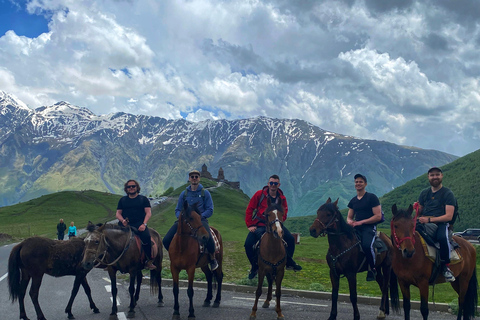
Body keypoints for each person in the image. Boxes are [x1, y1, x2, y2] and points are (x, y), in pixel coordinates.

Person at [245, 174, 302, 280]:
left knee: (289, 239)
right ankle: (254, 267)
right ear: (268, 184)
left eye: (275, 183)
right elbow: (250, 209)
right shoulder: (259, 194)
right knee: (248, 244)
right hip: (260, 224)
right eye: (271, 183)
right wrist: (250, 225)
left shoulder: (282, 198)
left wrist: (279, 222)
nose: (273, 185)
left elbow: (285, 211)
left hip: (276, 224)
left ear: (278, 185)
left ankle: (289, 262)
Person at [162, 170, 219, 271]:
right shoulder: (184, 194)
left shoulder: (205, 193)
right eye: (192, 176)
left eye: (196, 176)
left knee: (208, 238)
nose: (194, 178)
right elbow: (178, 209)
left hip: (200, 221)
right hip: (184, 222)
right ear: (189, 179)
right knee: (166, 240)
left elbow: (210, 209)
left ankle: (212, 259)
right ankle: (174, 255)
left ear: (199, 178)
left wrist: (199, 218)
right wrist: (181, 218)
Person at [416, 166, 456, 282]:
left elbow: (449, 216)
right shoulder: (424, 193)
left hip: (441, 224)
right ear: (428, 177)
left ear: (441, 176)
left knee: (442, 238)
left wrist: (429, 220)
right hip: (423, 222)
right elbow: (420, 211)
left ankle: (446, 267)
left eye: (437, 174)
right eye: (432, 175)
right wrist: (417, 209)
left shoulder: (448, 194)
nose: (435, 177)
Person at [346, 174, 383, 282]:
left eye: (360, 182)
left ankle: (372, 269)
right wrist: (350, 222)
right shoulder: (353, 201)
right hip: (356, 227)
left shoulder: (372, 197)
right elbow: (349, 217)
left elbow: (378, 216)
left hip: (369, 227)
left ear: (365, 184)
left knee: (367, 246)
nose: (358, 184)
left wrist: (361, 222)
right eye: (356, 182)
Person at [116, 179, 156, 270]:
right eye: (129, 187)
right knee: (112, 237)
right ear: (126, 189)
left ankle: (148, 260)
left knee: (146, 238)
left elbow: (148, 213)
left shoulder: (143, 199)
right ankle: (111, 261)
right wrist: (122, 221)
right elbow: (118, 213)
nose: (131, 188)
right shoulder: (122, 200)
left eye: (133, 186)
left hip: (139, 224)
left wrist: (144, 224)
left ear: (137, 187)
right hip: (125, 224)